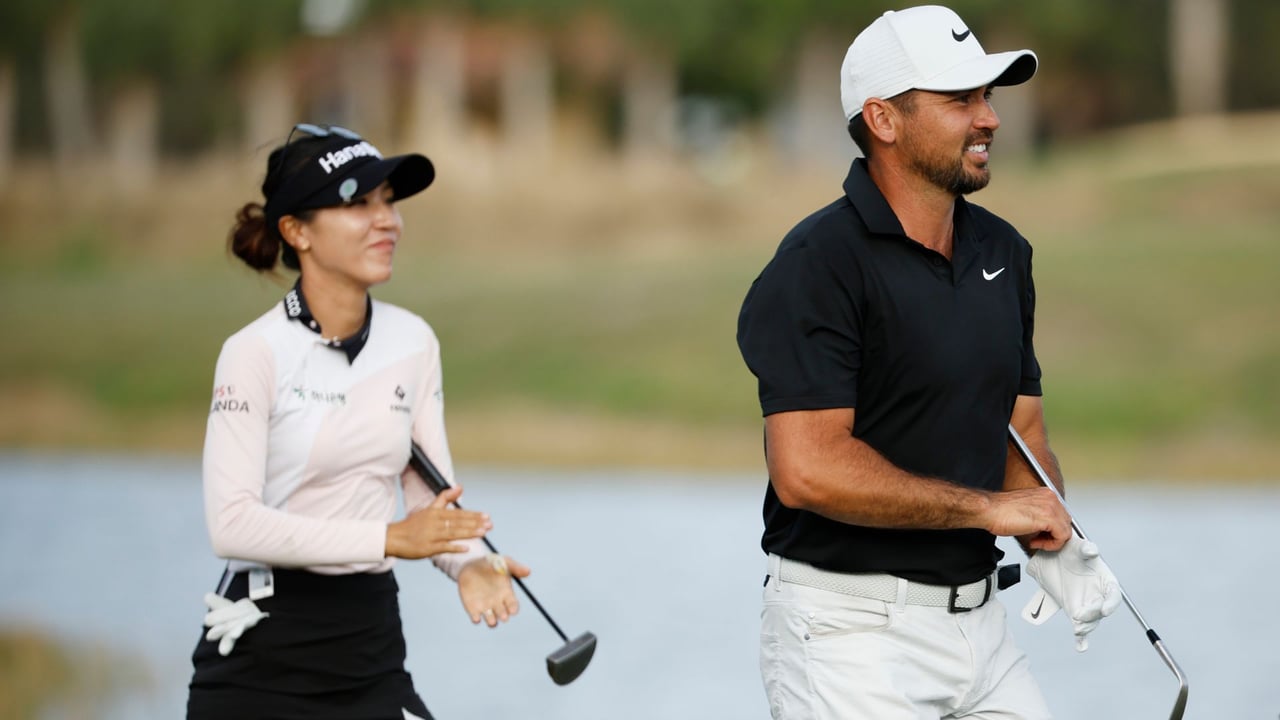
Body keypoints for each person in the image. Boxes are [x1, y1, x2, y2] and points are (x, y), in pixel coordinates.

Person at [736, 6, 1121, 719]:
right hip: (848, 632)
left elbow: (1021, 433)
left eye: (988, 97)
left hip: (982, 628)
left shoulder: (1003, 252)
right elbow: (806, 468)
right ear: (883, 120)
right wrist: (991, 510)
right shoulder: (818, 264)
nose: (989, 119)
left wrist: (1049, 522)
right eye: (961, 100)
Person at [186, 123, 530, 720]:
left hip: (370, 645)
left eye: (388, 203)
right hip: (263, 655)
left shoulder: (412, 340)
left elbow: (430, 494)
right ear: (296, 232)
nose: (386, 221)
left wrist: (468, 561)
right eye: (357, 202)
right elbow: (232, 525)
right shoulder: (254, 352)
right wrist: (390, 539)